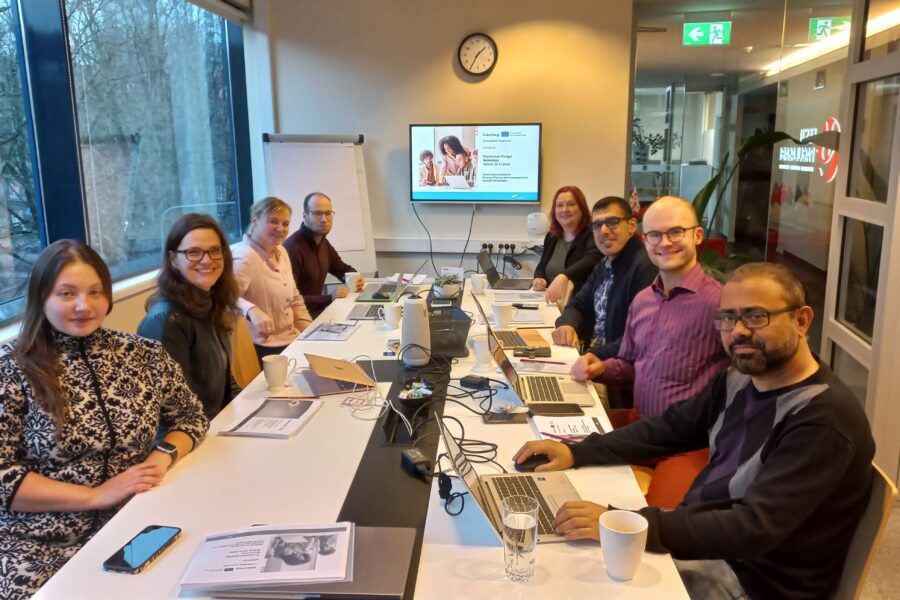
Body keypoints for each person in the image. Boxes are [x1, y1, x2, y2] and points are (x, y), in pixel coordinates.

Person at [514, 262, 876, 600]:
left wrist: (629, 524)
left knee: (568, 579)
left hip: (750, 580)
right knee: (561, 554)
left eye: (756, 316)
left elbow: (752, 528)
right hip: (709, 542)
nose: (739, 331)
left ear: (801, 320)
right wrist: (579, 451)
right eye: (728, 318)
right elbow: (671, 428)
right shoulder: (740, 378)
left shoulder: (823, 419)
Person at [0, 240, 208, 599]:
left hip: (134, 520)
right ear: (41, 297)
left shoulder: (142, 354)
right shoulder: (12, 368)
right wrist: (94, 496)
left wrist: (159, 460)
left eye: (95, 292)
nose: (84, 305)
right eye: (67, 293)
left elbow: (190, 417)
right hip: (37, 538)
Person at [569, 195, 729, 418]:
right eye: (654, 235)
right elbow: (633, 364)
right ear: (645, 241)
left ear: (698, 235)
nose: (664, 243)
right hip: (640, 425)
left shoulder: (720, 304)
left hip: (686, 443)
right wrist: (600, 368)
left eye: (676, 232)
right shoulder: (643, 300)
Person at [551, 196, 656, 408]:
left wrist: (591, 355)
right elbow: (578, 304)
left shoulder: (644, 267)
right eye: (597, 225)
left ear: (631, 225)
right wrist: (567, 324)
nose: (604, 231)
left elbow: (638, 337)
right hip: (594, 365)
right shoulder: (605, 263)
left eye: (613, 222)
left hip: (617, 382)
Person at [138, 213, 241, 420]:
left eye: (214, 251)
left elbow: (226, 381)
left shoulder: (211, 301)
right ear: (174, 260)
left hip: (218, 423)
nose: (207, 260)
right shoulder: (166, 321)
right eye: (193, 252)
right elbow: (173, 410)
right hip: (190, 439)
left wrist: (251, 412)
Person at [233, 197, 313, 363]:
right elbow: (225, 298)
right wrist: (252, 309)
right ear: (255, 219)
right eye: (273, 221)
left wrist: (312, 334)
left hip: (291, 341)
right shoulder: (245, 256)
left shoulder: (281, 251)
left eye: (285, 224)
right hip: (263, 350)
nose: (280, 229)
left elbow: (295, 299)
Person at [282, 192, 365, 318]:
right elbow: (288, 299)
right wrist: (328, 298)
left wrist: (355, 279)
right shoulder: (291, 248)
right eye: (317, 214)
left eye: (328, 213)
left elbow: (342, 269)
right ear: (305, 216)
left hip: (320, 314)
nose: (324, 219)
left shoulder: (323, 243)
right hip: (299, 319)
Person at [532, 185, 603, 303]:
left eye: (571, 204)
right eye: (559, 205)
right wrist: (539, 278)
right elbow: (541, 266)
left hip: (578, 305)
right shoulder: (551, 236)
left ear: (582, 208)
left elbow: (592, 259)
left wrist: (563, 276)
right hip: (550, 302)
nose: (564, 210)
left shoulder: (592, 233)